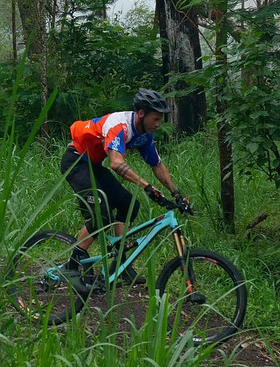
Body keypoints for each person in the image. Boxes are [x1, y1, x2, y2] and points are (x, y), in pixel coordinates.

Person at [60, 88, 190, 288]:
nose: (158, 124)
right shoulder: (119, 126)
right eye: (155, 119)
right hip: (75, 161)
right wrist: (147, 186)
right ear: (141, 114)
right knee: (101, 216)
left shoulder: (144, 135)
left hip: (92, 165)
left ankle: (120, 264)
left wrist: (176, 193)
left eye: (160, 119)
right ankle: (72, 264)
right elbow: (116, 163)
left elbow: (157, 164)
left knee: (129, 204)